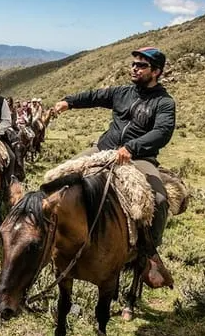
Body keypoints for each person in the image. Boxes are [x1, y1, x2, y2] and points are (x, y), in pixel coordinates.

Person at [54, 47, 175, 275]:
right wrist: (68, 102)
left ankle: (149, 250)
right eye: (134, 64)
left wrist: (132, 147)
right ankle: (54, 235)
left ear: (156, 71)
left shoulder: (164, 102)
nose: (135, 68)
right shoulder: (122, 92)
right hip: (103, 150)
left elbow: (163, 131)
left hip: (137, 158)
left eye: (141, 65)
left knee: (158, 200)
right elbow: (94, 96)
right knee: (60, 177)